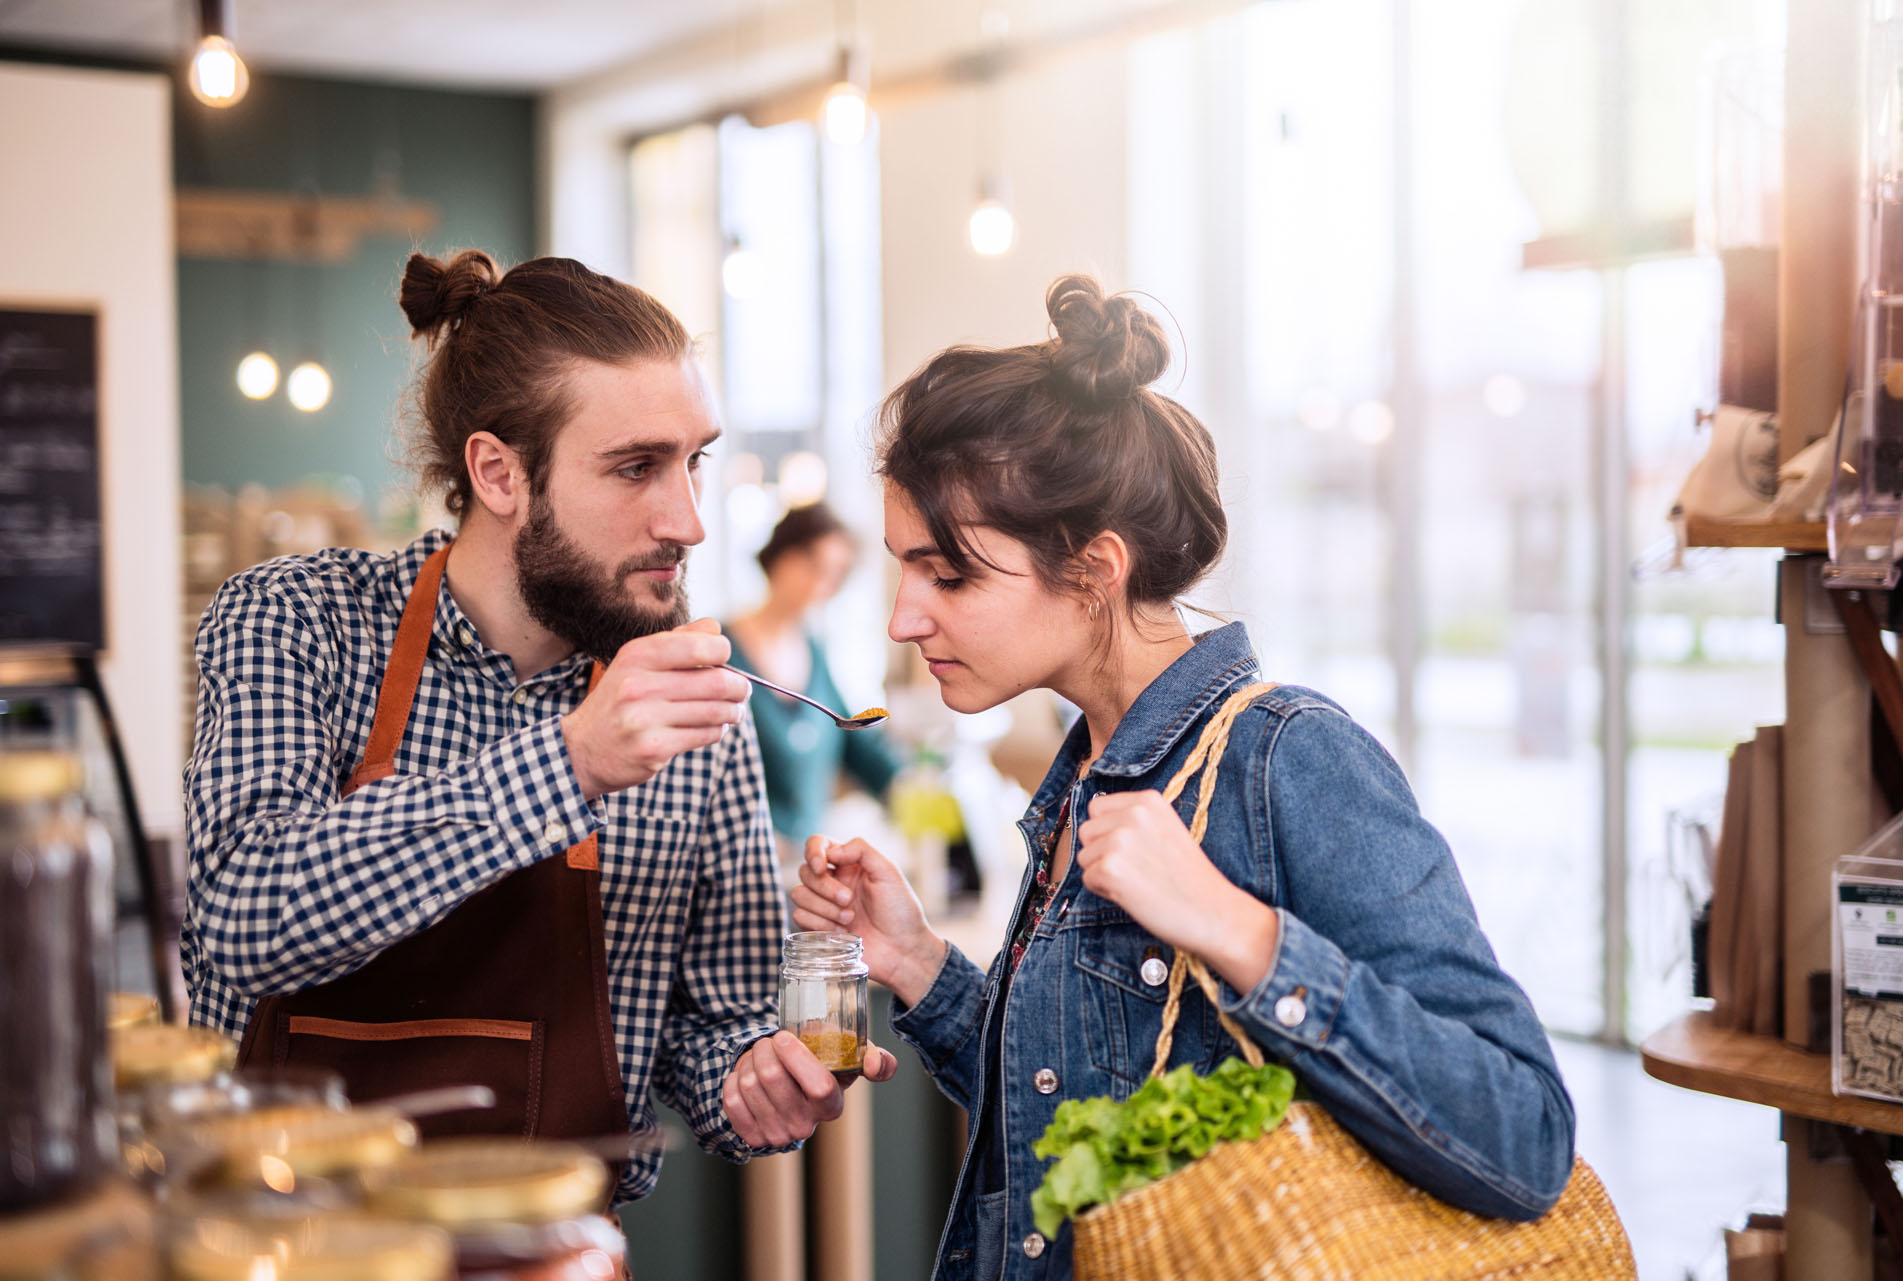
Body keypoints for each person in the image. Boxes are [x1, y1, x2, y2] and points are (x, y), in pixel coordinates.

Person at [790, 276, 1575, 1279]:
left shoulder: (1288, 759)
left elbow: (1525, 1136)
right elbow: (1077, 1118)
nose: (903, 617)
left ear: (1094, 569)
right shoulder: (1088, 784)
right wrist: (921, 969)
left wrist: (1237, 931)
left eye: (948, 574)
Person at [182, 249, 893, 1209]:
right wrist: (569, 765)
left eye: (694, 462)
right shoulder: (298, 621)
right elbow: (240, 918)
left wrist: (752, 1080)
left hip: (553, 1253)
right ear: (499, 473)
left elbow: (710, 1021)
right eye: (636, 467)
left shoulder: (694, 700)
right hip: (284, 1245)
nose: (688, 520)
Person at [724, 502, 899, 855]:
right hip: (740, 859)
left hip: (806, 862)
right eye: (814, 566)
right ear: (779, 556)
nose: (823, 585)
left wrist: (909, 782)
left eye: (836, 574)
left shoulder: (815, 652)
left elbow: (854, 742)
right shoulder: (720, 651)